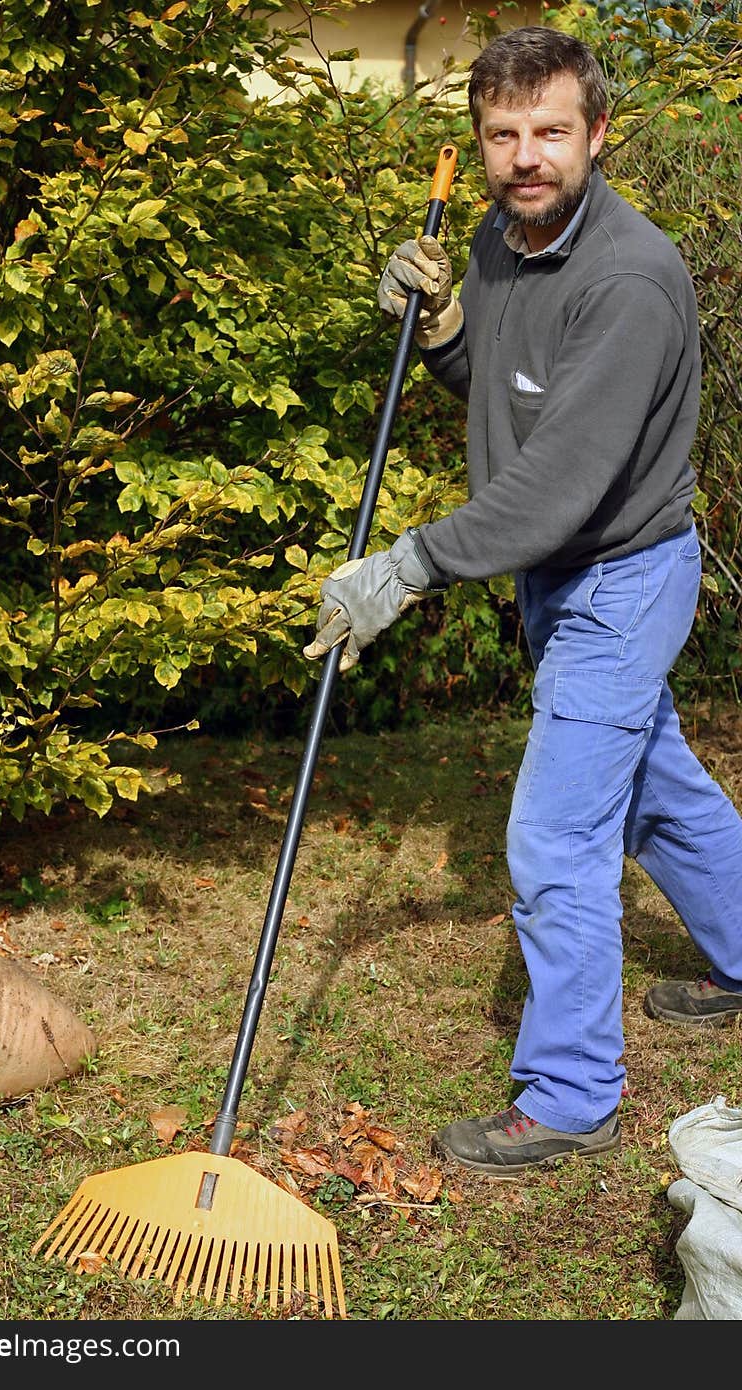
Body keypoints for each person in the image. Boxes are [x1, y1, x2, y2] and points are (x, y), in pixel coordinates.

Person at [303, 24, 742, 1176]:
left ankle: (569, 1093)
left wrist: (404, 567)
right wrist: (443, 327)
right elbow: (505, 392)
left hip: (620, 576)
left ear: (599, 133)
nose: (525, 155)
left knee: (555, 834)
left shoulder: (631, 276)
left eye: (551, 130)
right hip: (564, 572)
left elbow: (558, 479)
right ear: (480, 146)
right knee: (656, 787)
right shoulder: (503, 244)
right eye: (503, 135)